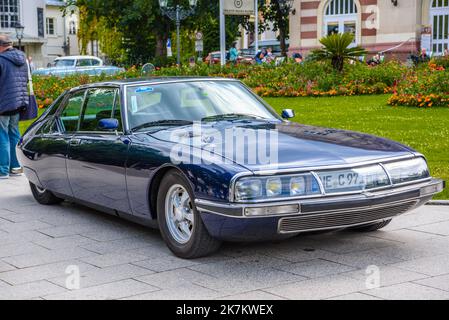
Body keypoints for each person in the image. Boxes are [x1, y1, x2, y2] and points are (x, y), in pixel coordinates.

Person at [0, 34, 29, 179]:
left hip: (3, 104)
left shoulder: (1, 60)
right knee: (14, 133)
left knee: (2, 135)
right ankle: (16, 167)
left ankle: (3, 170)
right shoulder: (22, 58)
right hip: (18, 103)